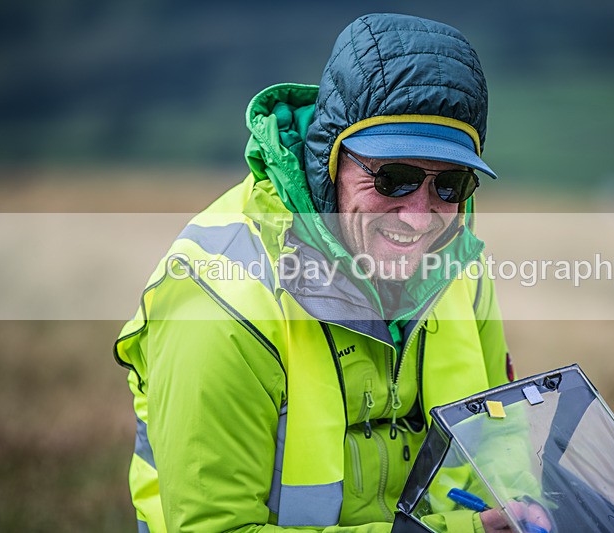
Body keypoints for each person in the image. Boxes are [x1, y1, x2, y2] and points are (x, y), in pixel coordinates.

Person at [114, 13, 549, 533]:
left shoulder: (459, 266)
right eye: (394, 178)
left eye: (450, 185)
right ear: (329, 160)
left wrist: (521, 503)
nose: (420, 214)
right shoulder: (221, 303)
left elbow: (499, 431)